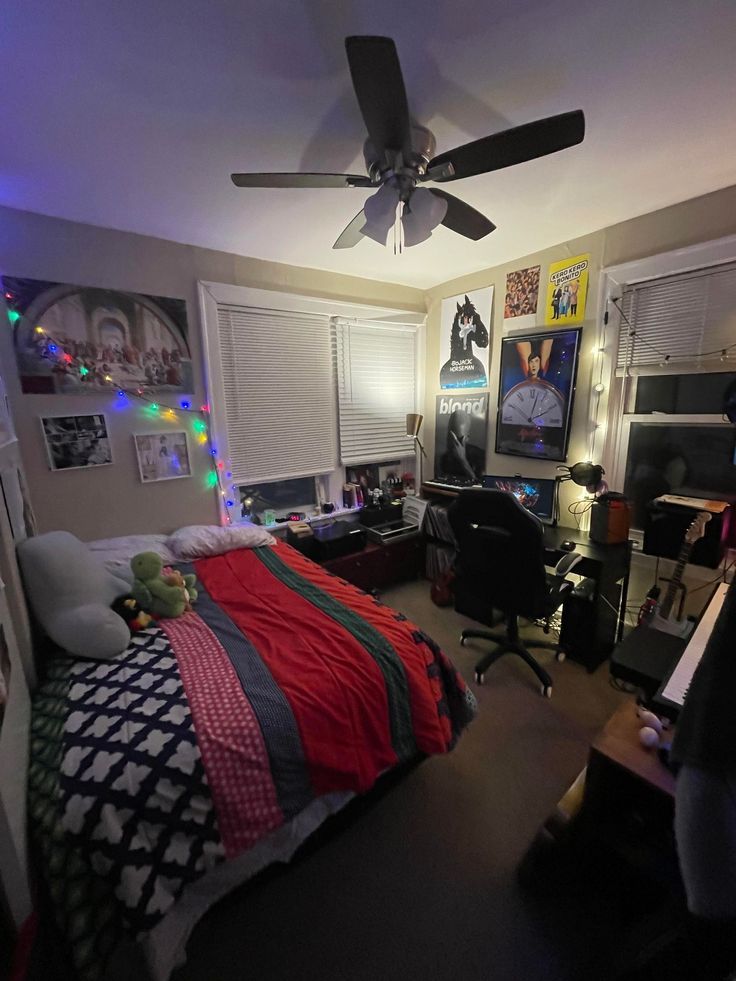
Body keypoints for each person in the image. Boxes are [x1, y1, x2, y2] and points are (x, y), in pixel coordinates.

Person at [438, 409, 484, 482]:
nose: (454, 442)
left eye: (458, 439)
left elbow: (479, 487)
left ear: (467, 438)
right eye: (451, 437)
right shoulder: (445, 458)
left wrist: (462, 460)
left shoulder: (479, 456)